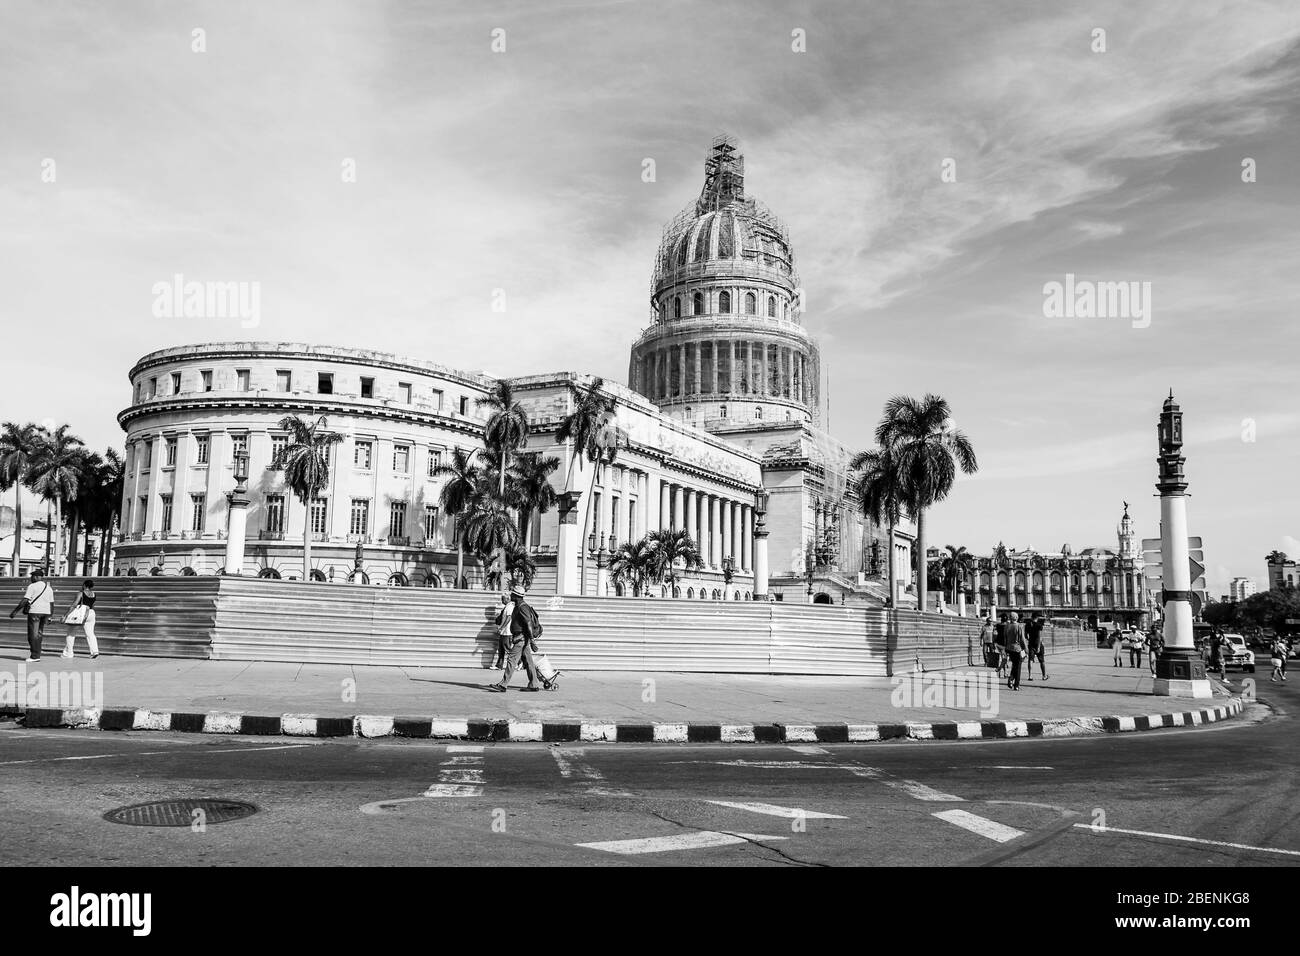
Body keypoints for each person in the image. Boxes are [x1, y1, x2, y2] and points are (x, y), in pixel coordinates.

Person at [489, 584, 554, 693]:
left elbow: (528, 623)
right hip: (522, 638)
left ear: (517, 596)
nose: (511, 595)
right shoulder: (518, 606)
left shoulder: (523, 607)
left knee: (511, 659)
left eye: (513, 594)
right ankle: (533, 684)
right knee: (528, 661)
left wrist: (532, 641)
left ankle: (503, 685)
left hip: (522, 638)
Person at [8, 568, 55, 662]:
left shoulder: (32, 586)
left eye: (32, 576)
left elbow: (25, 600)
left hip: (35, 612)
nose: (31, 578)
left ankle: (35, 656)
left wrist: (15, 611)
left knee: (33, 635)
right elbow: (52, 603)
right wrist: (50, 616)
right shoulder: (49, 588)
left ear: (38, 577)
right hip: (45, 612)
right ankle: (37, 654)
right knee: (39, 634)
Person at [60, 579, 100, 660]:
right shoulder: (93, 594)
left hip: (81, 613)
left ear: (84, 585)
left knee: (71, 633)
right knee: (90, 633)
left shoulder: (80, 593)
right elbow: (93, 605)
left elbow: (74, 605)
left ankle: (69, 653)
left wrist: (66, 615)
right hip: (91, 613)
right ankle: (94, 651)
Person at [1001, 612, 1027, 691]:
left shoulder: (1007, 626)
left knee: (1014, 665)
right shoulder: (1019, 626)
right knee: (1018, 666)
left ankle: (1011, 679)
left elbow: (1005, 638)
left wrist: (1006, 647)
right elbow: (1022, 639)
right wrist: (1025, 648)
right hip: (1017, 648)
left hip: (1009, 648)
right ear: (1016, 618)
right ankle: (1016, 684)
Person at [491, 593, 514, 669]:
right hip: (503, 632)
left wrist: (501, 627)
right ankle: (499, 665)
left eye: (503, 599)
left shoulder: (510, 607)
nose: (502, 601)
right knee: (501, 650)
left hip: (507, 632)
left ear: (507, 599)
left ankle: (518, 663)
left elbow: (508, 619)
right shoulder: (506, 607)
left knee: (508, 649)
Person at [1025, 613, 1048, 681]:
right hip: (1038, 645)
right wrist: (1038, 647)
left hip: (1031, 644)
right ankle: (1044, 676)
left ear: (1031, 617)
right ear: (1037, 618)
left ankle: (1030, 676)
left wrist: (1029, 639)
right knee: (1042, 661)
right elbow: (1039, 637)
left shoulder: (1028, 625)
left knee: (1030, 660)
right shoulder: (1039, 625)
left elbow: (1026, 635)